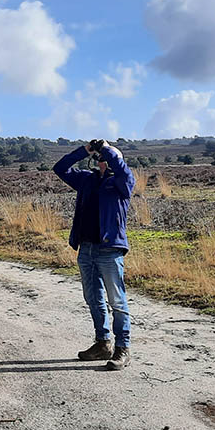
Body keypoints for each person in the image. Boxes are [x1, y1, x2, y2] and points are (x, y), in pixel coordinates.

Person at [52, 139, 135, 371]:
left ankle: (123, 349)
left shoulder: (122, 182)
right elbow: (60, 168)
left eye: (105, 158)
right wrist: (85, 150)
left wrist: (108, 149)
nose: (101, 161)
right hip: (86, 248)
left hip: (109, 250)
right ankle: (102, 343)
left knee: (117, 301)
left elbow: (122, 169)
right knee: (93, 298)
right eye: (98, 158)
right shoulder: (86, 180)